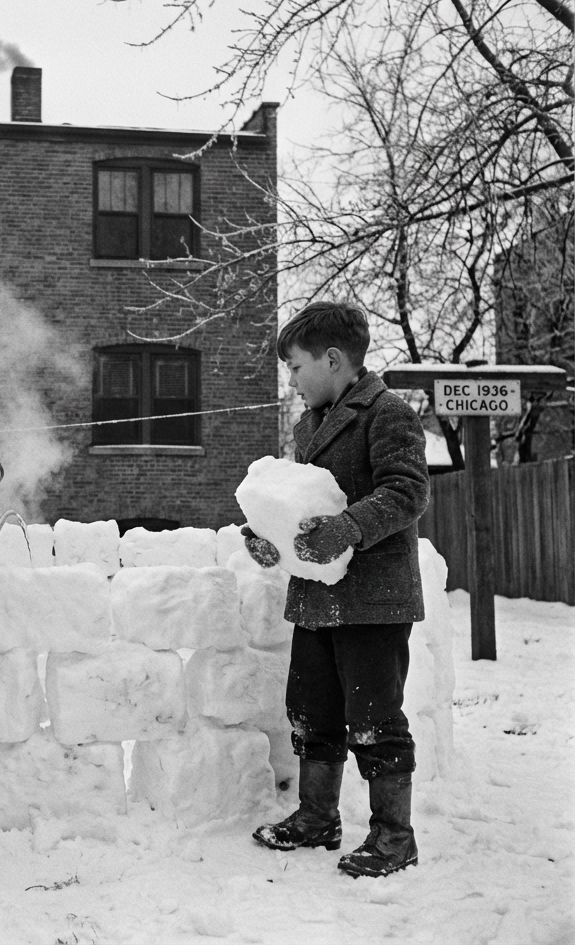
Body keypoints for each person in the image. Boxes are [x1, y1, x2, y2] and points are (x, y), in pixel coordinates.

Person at [243, 301, 429, 878]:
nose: (291, 381)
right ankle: (317, 815)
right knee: (312, 711)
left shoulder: (387, 413)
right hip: (317, 596)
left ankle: (394, 837)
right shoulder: (309, 424)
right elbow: (308, 504)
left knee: (374, 718)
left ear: (332, 359)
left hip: (373, 599)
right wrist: (271, 536)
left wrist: (347, 528)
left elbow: (407, 492)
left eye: (296, 368)